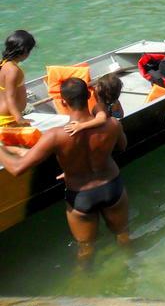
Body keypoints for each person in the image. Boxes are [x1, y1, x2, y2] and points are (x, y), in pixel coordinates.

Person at [0, 78, 129, 259]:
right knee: (123, 235)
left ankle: (85, 280)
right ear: (89, 95)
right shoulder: (113, 125)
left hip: (80, 196)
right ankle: (131, 262)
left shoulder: (55, 136)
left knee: (86, 250)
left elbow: (16, 168)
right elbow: (122, 146)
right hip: (112, 187)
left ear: (62, 102)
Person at [0, 30, 35, 127]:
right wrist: (19, 118)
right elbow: (9, 97)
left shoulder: (4, 63)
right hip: (9, 119)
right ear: (24, 51)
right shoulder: (13, 71)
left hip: (7, 115)